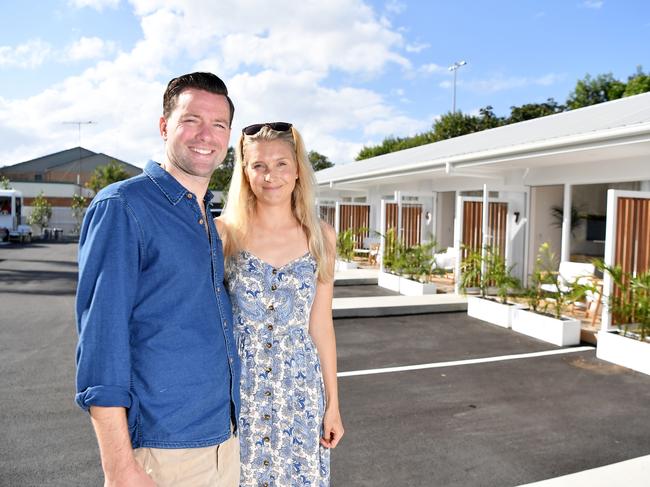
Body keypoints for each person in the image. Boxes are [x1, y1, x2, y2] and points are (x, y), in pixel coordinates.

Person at [75, 72, 240, 487]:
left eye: (219, 124)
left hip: (228, 442)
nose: (206, 134)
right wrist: (119, 467)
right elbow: (101, 345)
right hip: (164, 454)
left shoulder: (207, 217)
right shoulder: (123, 206)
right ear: (164, 125)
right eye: (192, 120)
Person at [217, 122, 344, 486]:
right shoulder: (224, 232)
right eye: (259, 165)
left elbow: (320, 325)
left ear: (298, 169)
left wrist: (333, 404)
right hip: (241, 393)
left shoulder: (321, 236)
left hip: (301, 391)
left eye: (281, 164)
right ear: (244, 171)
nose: (270, 175)